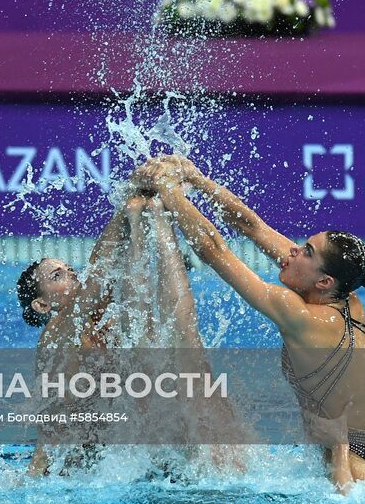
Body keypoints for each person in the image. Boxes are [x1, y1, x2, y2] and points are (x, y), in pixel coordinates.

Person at [133, 154, 365, 496]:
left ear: (323, 281)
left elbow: (212, 249)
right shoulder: (350, 302)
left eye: (306, 251)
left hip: (356, 467)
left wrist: (169, 192)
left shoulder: (299, 316)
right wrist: (198, 180)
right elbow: (253, 228)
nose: (292, 251)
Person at [16, 190, 238, 474]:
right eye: (57, 276)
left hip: (107, 464)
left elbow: (125, 278)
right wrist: (127, 212)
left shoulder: (102, 317)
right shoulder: (56, 335)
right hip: (59, 473)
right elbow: (99, 274)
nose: (70, 274)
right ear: (42, 304)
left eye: (69, 269)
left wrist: (141, 223)